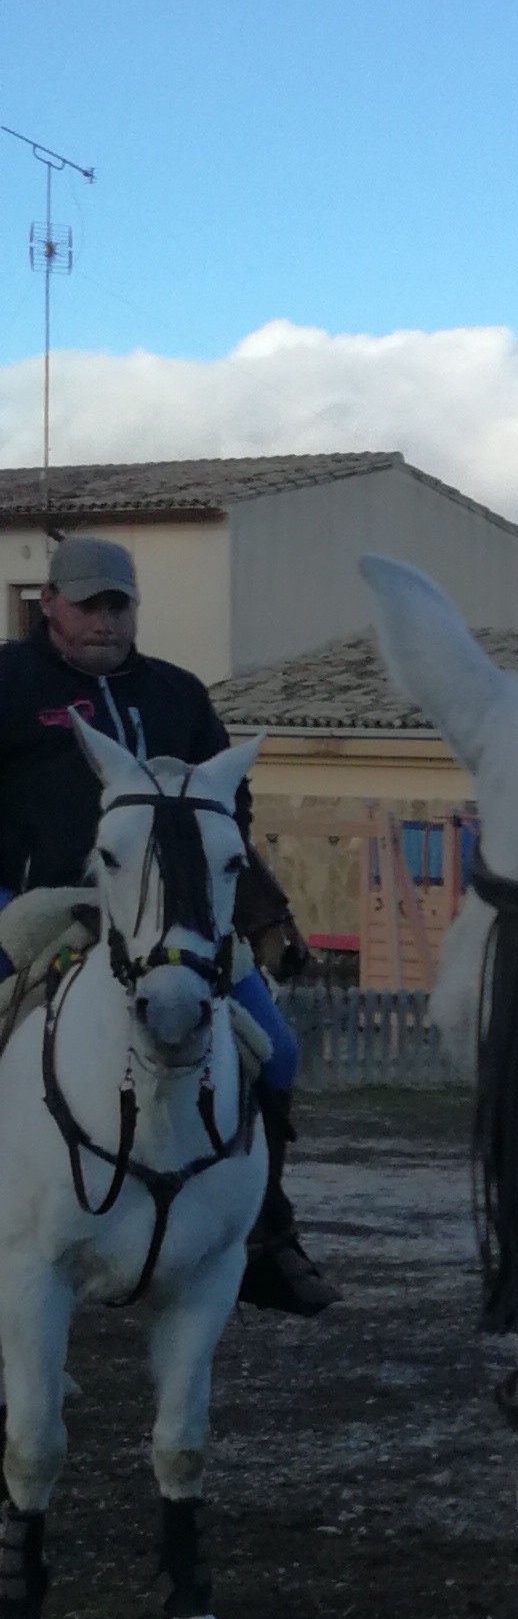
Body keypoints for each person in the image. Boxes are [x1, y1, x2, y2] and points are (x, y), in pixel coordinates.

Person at [0, 533, 332, 1314]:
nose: (105, 621)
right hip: (35, 903)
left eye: (118, 604)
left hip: (169, 922)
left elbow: (228, 813)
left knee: (276, 1051)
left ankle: (264, 1231)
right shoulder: (9, 682)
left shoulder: (178, 695)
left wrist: (259, 913)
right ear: (49, 604)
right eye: (88, 605)